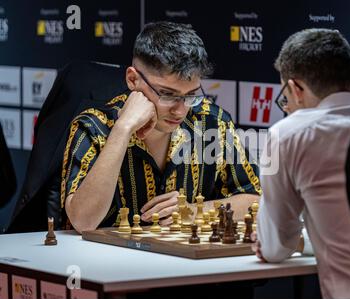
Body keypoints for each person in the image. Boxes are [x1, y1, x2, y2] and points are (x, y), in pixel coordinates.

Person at [61, 22, 261, 233]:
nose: (180, 110)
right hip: (110, 262)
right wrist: (123, 129)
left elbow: (256, 202)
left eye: (191, 95)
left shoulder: (213, 122)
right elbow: (83, 221)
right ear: (132, 79)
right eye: (168, 95)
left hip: (186, 262)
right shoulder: (94, 126)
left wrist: (194, 211)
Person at [253, 28, 350, 299]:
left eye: (285, 96)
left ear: (295, 88)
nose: (287, 106)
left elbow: (275, 246)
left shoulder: (288, 134)